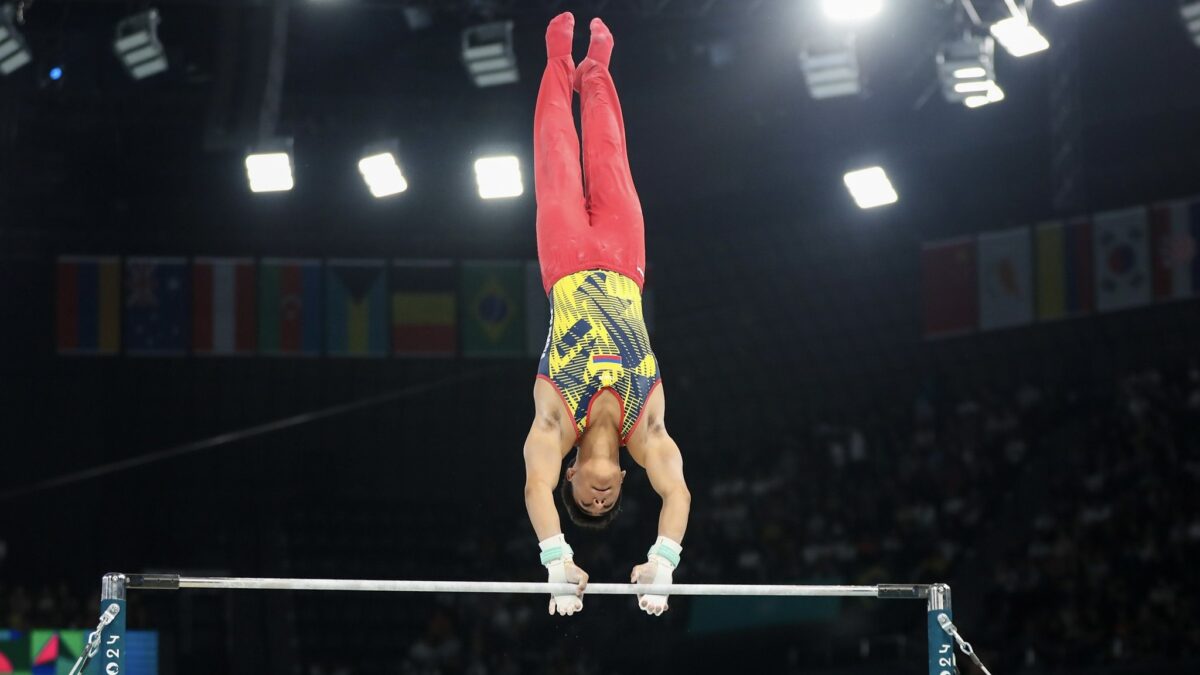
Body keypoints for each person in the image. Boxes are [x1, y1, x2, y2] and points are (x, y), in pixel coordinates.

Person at [523, 13, 693, 618]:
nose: (597, 499)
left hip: (564, 260)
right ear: (624, 483)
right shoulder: (647, 432)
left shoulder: (554, 424)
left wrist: (555, 560)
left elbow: (531, 487)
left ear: (570, 476)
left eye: (585, 502)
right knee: (610, 154)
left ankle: (556, 60)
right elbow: (678, 492)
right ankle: (596, 70)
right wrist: (663, 563)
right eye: (606, 504)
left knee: (558, 152)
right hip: (626, 260)